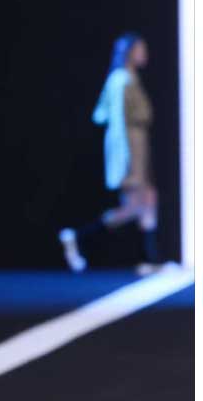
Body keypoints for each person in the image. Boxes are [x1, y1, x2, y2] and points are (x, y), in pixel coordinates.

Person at [59, 33, 166, 275]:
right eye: (140, 49)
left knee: (149, 199)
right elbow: (113, 118)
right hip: (128, 148)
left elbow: (101, 113)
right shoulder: (121, 80)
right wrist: (124, 157)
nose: (144, 54)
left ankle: (149, 258)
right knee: (135, 205)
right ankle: (79, 237)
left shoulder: (127, 78)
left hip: (137, 145)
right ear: (129, 52)